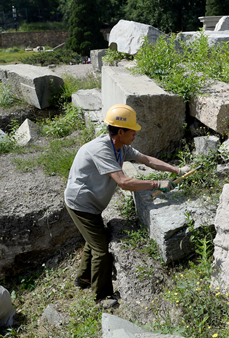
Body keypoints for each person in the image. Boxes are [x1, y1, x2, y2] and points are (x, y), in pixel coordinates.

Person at [64, 104, 190, 308]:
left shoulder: (120, 147)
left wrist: (176, 170)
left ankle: (83, 278)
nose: (135, 135)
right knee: (100, 248)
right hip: (81, 205)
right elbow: (123, 182)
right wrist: (157, 184)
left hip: (92, 204)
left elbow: (147, 159)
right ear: (120, 132)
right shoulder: (102, 150)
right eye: (133, 131)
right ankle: (101, 297)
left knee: (95, 238)